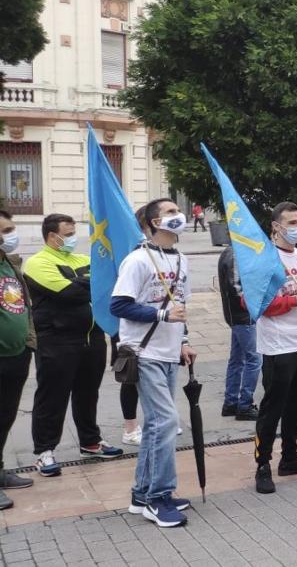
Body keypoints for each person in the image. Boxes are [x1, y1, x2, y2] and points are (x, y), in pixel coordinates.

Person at [110, 198, 195, 527]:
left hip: (169, 352)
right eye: (171, 213)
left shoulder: (181, 259)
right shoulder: (137, 260)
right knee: (165, 422)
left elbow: (180, 305)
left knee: (158, 426)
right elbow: (118, 305)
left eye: (178, 211)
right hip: (142, 353)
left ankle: (142, 494)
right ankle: (159, 498)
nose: (178, 216)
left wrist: (184, 341)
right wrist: (161, 314)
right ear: (153, 223)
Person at [24, 213, 121, 478]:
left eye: (72, 232)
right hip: (57, 341)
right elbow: (68, 294)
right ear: (51, 236)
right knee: (52, 397)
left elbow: (108, 285)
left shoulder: (84, 259)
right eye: (67, 234)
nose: (71, 238)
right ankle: (44, 451)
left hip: (92, 339)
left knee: (88, 394)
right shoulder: (37, 263)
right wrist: (92, 284)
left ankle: (91, 441)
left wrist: (91, 284)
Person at [255, 202, 297, 494]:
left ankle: (290, 455)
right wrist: (291, 302)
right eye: (291, 222)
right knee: (273, 406)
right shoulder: (264, 259)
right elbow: (254, 304)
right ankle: (263, 464)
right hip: (278, 345)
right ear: (276, 226)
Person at [0, 211, 34, 509]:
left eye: (11, 228)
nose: (10, 234)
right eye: (5, 230)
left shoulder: (9, 263)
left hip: (17, 354)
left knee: (5, 417)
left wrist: (28, 343)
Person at [217, 246, 259, 421]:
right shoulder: (236, 253)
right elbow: (236, 286)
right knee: (254, 359)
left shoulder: (231, 252)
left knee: (237, 359)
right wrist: (254, 304)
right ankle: (244, 404)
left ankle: (231, 402)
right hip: (243, 315)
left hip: (237, 314)